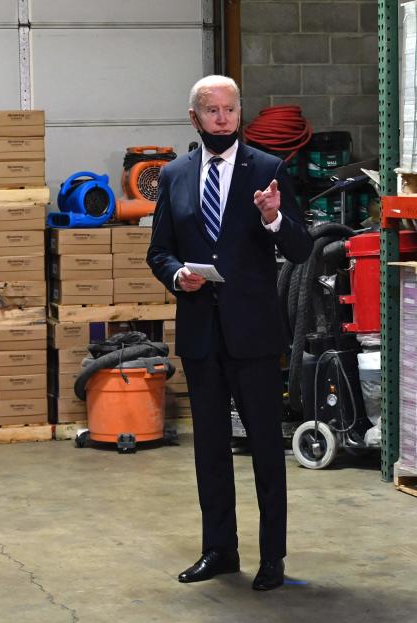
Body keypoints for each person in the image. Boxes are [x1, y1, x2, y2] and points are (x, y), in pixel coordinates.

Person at [146, 75, 312, 592]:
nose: (222, 119)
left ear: (240, 113)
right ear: (193, 118)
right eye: (212, 111)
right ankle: (219, 549)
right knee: (210, 448)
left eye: (230, 109)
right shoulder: (174, 176)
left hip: (254, 335)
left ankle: (272, 558)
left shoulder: (268, 170)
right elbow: (159, 251)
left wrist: (274, 216)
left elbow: (302, 248)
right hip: (201, 334)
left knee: (265, 447)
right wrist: (178, 275)